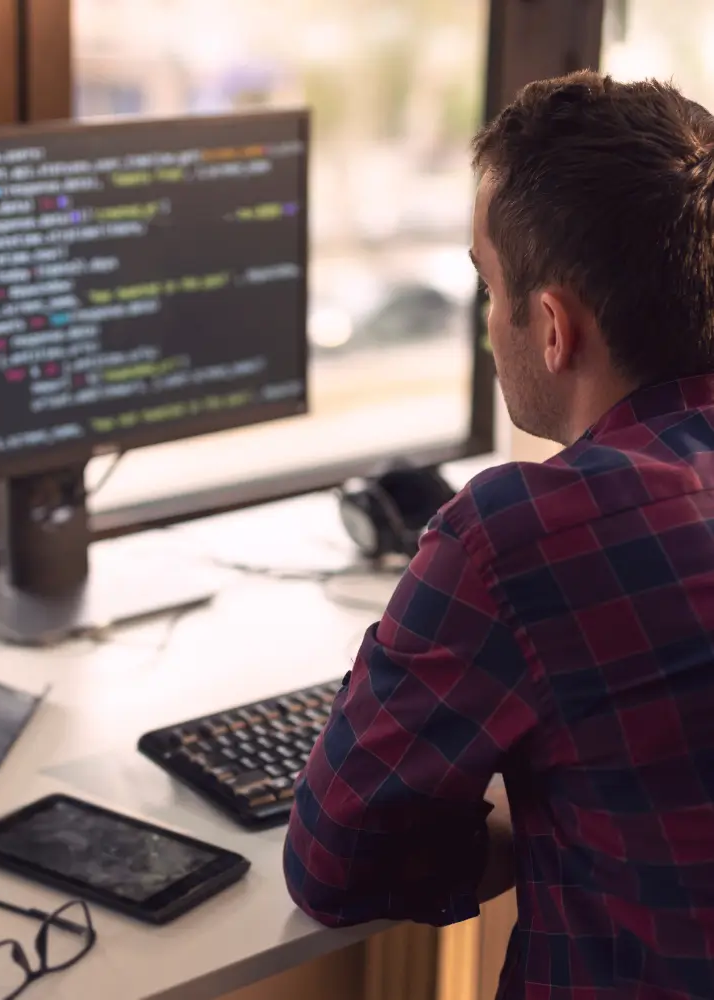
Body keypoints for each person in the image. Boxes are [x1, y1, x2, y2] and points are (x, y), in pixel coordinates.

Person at [284, 70, 714, 999]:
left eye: (489, 284)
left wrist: (532, 825)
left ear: (553, 327)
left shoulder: (520, 535)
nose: (488, 320)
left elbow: (333, 863)